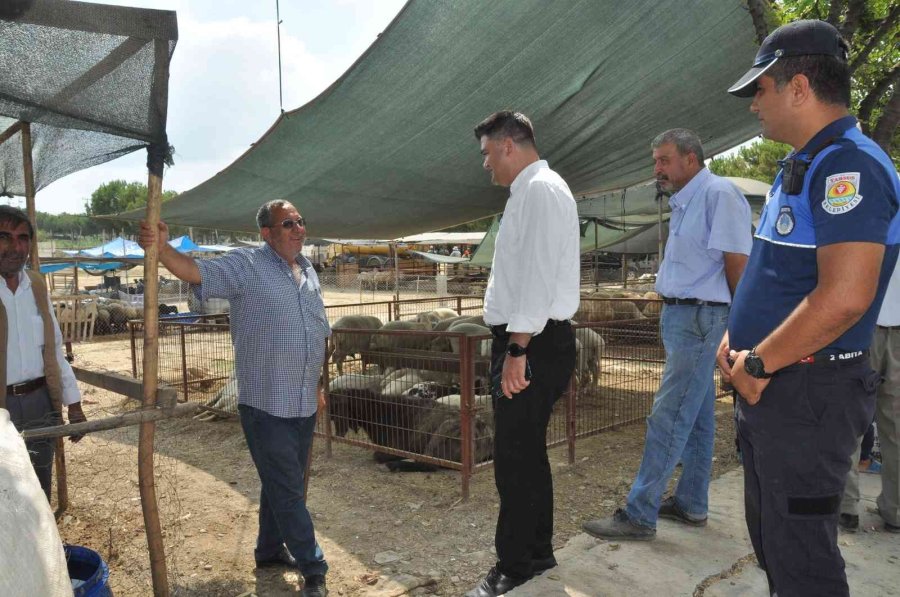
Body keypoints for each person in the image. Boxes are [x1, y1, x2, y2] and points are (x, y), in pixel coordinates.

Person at [720, 19, 900, 596]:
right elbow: (781, 275)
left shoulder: (850, 166)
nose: (754, 105)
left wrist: (757, 364)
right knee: (778, 544)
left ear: (798, 87)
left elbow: (846, 296)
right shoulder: (807, 162)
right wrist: (739, 340)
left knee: (803, 561)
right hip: (781, 386)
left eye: (761, 89)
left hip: (804, 391)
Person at [138, 200, 330, 597]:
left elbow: (317, 331)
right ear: (267, 233)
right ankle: (314, 567)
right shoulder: (247, 265)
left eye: (301, 221)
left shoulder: (309, 271)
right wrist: (164, 249)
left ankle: (268, 550)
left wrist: (317, 384)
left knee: (281, 482)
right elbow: (197, 272)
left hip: (303, 402)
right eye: (289, 223)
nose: (299, 229)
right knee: (289, 488)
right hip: (266, 403)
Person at [582, 129, 752, 540]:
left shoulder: (718, 195)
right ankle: (692, 503)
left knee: (668, 414)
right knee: (695, 415)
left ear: (690, 158)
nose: (656, 167)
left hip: (701, 318)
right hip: (683, 317)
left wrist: (736, 323)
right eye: (656, 160)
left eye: (664, 159)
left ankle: (640, 514)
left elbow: (738, 263)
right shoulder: (684, 201)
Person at [465, 111, 579, 597]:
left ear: (509, 145)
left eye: (489, 154)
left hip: (531, 342)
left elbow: (534, 278)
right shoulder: (534, 191)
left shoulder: (539, 191)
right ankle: (537, 553)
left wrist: (516, 349)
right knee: (527, 454)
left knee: (514, 458)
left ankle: (513, 566)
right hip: (534, 338)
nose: (487, 165)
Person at [0, 205, 85, 501]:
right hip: (1, 408)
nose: (15, 247)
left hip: (40, 404)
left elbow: (54, 349)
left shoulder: (36, 286)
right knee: (4, 493)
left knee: (39, 485)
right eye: (5, 237)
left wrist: (73, 403)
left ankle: (43, 546)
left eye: (23, 238)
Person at [840, 258, 900, 533]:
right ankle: (895, 510)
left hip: (863, 327)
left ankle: (847, 506)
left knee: (850, 423)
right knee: (895, 429)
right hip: (881, 328)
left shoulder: (876, 215)